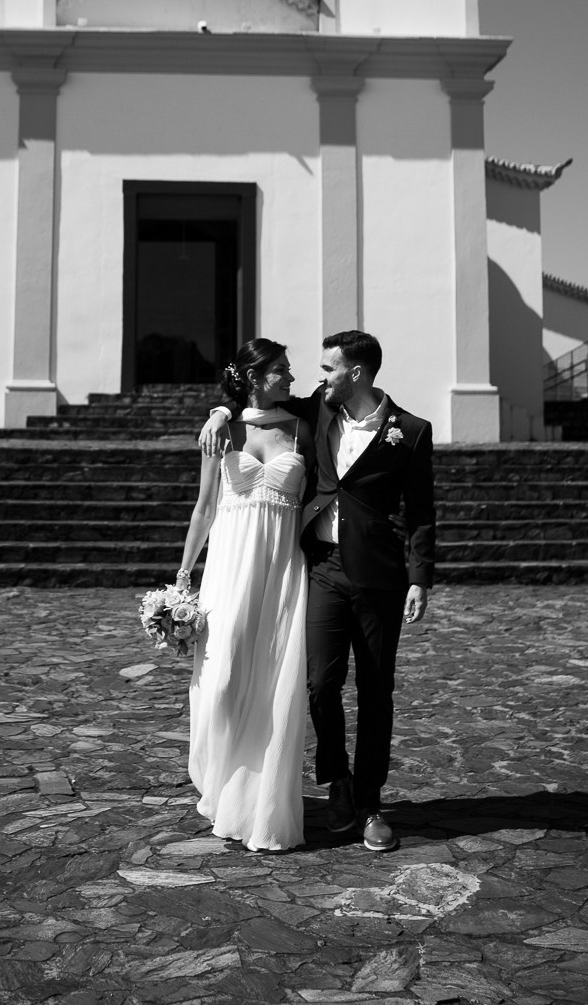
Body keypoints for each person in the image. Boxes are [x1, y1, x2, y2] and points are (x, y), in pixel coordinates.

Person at [200, 329, 435, 852]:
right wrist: (218, 410)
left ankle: (371, 802)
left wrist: (420, 577)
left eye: (329, 368)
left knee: (376, 691)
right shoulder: (316, 413)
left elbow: (420, 513)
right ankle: (339, 783)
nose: (317, 377)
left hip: (380, 577)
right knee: (319, 683)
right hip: (322, 568)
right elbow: (252, 401)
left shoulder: (412, 431)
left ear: (356, 373)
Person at [175, 338, 313, 852]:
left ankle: (260, 805)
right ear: (254, 376)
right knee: (223, 678)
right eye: (280, 370)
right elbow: (203, 509)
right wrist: (184, 575)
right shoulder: (224, 430)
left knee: (276, 685)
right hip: (230, 570)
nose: (290, 377)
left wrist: (224, 405)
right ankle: (219, 782)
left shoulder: (301, 427)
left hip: (281, 570)